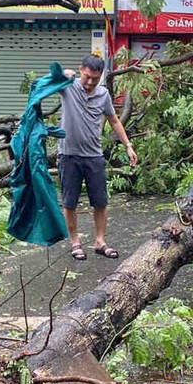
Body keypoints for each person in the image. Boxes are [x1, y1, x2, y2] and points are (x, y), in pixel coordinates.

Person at [59, 55, 138, 261]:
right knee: (69, 202)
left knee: (101, 201)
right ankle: (75, 242)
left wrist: (128, 146)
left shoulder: (103, 94)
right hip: (69, 155)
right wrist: (62, 74)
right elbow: (44, 84)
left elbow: (114, 120)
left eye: (95, 78)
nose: (91, 82)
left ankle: (100, 241)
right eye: (87, 77)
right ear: (81, 70)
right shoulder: (68, 86)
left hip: (94, 155)